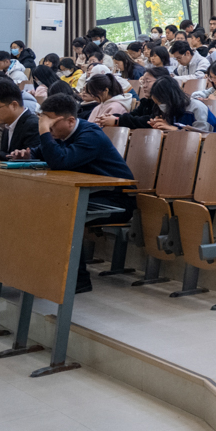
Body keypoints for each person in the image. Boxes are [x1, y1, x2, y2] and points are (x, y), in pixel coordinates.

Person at [15, 93, 135, 291]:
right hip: (89, 195)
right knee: (38, 206)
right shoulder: (63, 134)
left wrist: (44, 130)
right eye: (45, 124)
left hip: (116, 200)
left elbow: (60, 161)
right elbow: (41, 152)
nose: (49, 129)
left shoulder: (90, 135)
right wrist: (28, 154)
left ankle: (77, 280)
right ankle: (46, 270)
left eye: (51, 124)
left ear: (71, 121)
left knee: (62, 213)